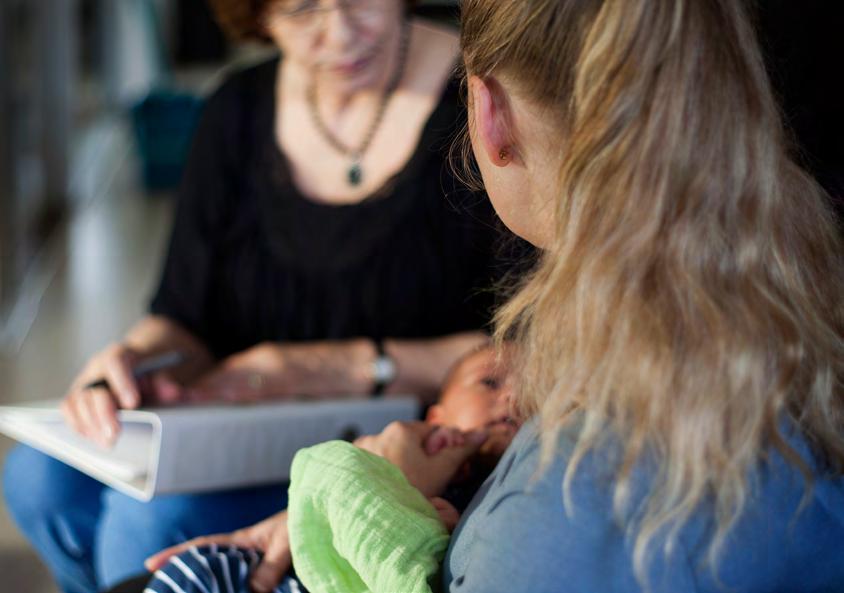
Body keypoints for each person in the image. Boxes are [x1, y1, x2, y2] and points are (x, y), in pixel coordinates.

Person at [139, 0, 844, 591]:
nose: (340, 25)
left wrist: (359, 502)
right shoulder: (797, 310)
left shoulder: (540, 519)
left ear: (487, 113)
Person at [2, 1, 531, 592]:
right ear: (258, 16)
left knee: (152, 524)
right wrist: (134, 358)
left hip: (409, 436)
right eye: (302, 10)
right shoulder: (237, 109)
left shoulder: (484, 101)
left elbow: (520, 344)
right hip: (249, 428)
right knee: (37, 480)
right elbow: (182, 317)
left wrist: (313, 367)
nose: (340, 33)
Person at [111, 345, 518, 593]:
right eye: (490, 383)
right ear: (437, 413)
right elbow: (333, 485)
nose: (515, 397)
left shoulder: (504, 491)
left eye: (538, 391)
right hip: (284, 569)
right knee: (201, 567)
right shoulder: (408, 444)